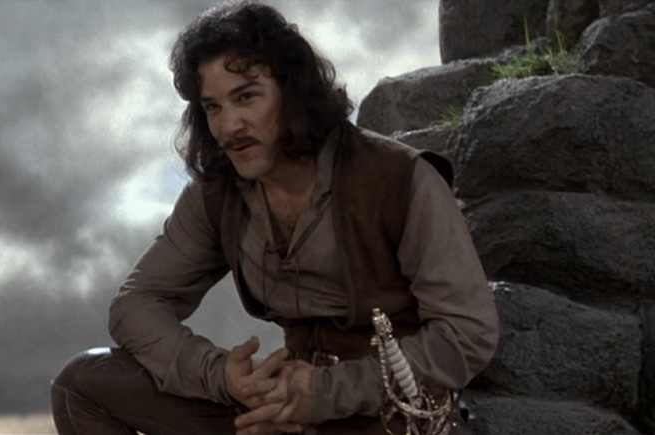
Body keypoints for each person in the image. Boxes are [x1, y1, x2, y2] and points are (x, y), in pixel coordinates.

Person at [50, 1, 499, 434]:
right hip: (276, 409)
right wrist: (223, 377)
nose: (229, 126)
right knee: (82, 386)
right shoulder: (217, 193)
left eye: (246, 97)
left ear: (293, 92)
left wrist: (324, 394)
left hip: (387, 416)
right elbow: (136, 304)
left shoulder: (400, 179)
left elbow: (468, 332)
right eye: (213, 107)